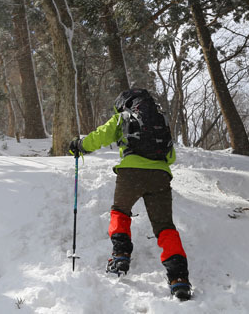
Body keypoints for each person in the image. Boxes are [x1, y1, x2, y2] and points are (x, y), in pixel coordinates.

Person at [69, 88, 192, 301]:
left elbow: (99, 136)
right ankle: (178, 278)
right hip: (160, 176)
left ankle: (120, 255)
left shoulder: (123, 117)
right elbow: (170, 156)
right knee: (165, 227)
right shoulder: (159, 120)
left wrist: (79, 145)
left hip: (130, 174)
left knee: (120, 211)